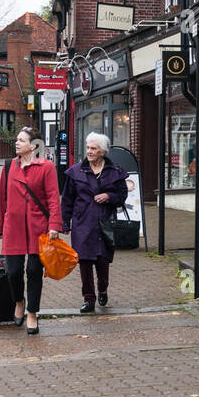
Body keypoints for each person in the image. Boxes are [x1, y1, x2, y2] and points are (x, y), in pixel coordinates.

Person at [0, 127, 62, 335]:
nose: (17, 143)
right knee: (13, 272)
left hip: (37, 228)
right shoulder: (8, 166)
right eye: (17, 140)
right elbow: (1, 199)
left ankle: (32, 313)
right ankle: (19, 301)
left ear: (33, 146)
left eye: (21, 140)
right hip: (13, 227)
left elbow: (53, 199)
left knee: (33, 271)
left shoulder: (46, 167)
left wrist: (54, 226)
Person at [60, 132, 127, 313]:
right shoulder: (76, 172)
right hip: (83, 222)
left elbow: (122, 195)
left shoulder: (115, 171)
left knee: (103, 261)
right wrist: (65, 223)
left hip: (105, 222)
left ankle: (103, 289)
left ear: (103, 151)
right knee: (84, 262)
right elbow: (67, 200)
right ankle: (88, 299)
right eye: (88, 147)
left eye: (93, 148)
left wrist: (109, 196)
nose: (89, 151)